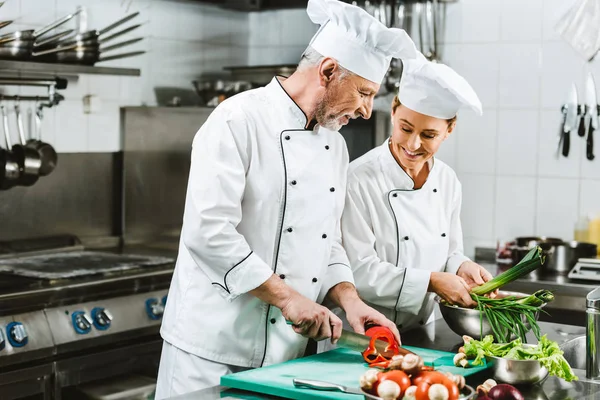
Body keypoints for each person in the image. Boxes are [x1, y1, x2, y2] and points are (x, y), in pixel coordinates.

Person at [154, 0, 418, 397]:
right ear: (328, 71)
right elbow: (208, 232)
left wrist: (350, 301)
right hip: (211, 350)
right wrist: (288, 298)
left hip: (285, 357)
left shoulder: (335, 145)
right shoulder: (237, 120)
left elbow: (326, 241)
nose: (366, 111)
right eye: (363, 93)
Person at [340, 55, 494, 333]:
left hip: (424, 330)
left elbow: (449, 251)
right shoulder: (358, 179)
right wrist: (432, 282)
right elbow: (358, 271)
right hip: (368, 333)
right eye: (406, 128)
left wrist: (461, 266)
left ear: (449, 129)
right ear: (395, 111)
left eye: (429, 135)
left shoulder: (447, 180)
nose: (413, 144)